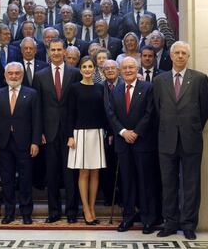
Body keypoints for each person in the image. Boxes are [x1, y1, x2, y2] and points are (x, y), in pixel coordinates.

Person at [153, 41, 208, 240]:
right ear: (170, 55)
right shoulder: (160, 80)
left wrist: (193, 127)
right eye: (176, 52)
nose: (179, 56)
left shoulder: (199, 79)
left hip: (191, 139)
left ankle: (188, 224)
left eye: (183, 53)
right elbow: (156, 109)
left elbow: (205, 109)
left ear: (188, 56)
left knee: (191, 183)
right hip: (166, 139)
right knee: (168, 183)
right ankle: (170, 222)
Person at [32, 38, 82, 224]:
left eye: (59, 49)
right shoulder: (40, 75)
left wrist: (75, 131)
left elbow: (78, 105)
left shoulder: (75, 73)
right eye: (53, 49)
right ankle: (53, 212)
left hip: (70, 133)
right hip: (49, 131)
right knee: (51, 174)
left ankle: (71, 212)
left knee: (70, 174)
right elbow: (37, 107)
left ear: (65, 51)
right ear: (48, 51)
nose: (56, 53)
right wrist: (39, 133)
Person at [107, 57, 158, 234]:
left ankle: (147, 219)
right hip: (123, 143)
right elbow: (111, 114)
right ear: (120, 71)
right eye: (125, 68)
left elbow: (150, 113)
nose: (128, 70)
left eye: (131, 67)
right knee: (126, 182)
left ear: (138, 69)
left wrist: (136, 132)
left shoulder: (148, 88)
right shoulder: (116, 90)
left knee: (145, 182)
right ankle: (128, 217)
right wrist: (123, 132)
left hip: (143, 142)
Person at [0, 62, 41, 225]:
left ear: (22, 75)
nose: (13, 76)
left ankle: (26, 213)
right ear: (5, 76)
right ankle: (9, 213)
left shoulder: (31, 94)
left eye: (17, 73)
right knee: (7, 180)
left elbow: (37, 120)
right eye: (10, 73)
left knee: (26, 180)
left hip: (25, 144)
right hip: (4, 144)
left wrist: (35, 142)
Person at [67, 56, 107, 225]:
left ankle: (92, 208)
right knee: (83, 172)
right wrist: (70, 135)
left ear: (94, 68)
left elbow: (104, 112)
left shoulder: (100, 87)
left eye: (91, 66)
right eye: (84, 67)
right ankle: (85, 208)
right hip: (80, 134)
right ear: (80, 69)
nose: (88, 69)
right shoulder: (74, 88)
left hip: (97, 133)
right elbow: (69, 113)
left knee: (95, 172)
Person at [100, 59, 123, 206]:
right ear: (102, 72)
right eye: (106, 69)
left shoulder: (123, 85)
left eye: (112, 68)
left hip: (121, 132)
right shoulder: (99, 87)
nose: (109, 71)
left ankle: (122, 198)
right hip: (103, 133)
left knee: (122, 169)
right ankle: (109, 197)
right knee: (107, 168)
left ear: (118, 70)